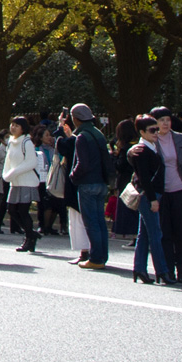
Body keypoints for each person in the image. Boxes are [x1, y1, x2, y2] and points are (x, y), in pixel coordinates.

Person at [151, 107, 182, 284]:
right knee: (165, 233)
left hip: (179, 190)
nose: (165, 123)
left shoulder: (179, 138)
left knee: (181, 233)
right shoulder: (152, 140)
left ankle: (181, 271)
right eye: (161, 120)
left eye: (167, 120)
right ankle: (167, 270)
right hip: (161, 193)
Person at [67, 104, 112, 268]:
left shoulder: (82, 136)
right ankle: (102, 256)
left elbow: (82, 163)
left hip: (87, 183)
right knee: (100, 221)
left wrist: (73, 175)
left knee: (91, 222)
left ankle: (96, 258)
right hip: (101, 182)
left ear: (75, 118)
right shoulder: (98, 133)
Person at [126, 118, 167, 283]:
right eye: (152, 130)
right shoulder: (141, 150)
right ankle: (162, 272)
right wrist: (152, 200)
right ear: (142, 132)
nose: (156, 132)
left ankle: (139, 268)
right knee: (155, 234)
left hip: (152, 194)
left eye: (157, 129)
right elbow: (144, 178)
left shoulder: (151, 146)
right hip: (148, 195)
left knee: (144, 234)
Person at [0, 117, 42, 252]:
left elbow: (31, 162)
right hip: (15, 181)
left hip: (26, 181)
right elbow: (8, 161)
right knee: (11, 210)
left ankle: (29, 239)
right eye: (12, 124)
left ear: (23, 128)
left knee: (23, 211)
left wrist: (14, 172)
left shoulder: (26, 142)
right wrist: (7, 174)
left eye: (17, 125)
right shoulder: (11, 143)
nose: (13, 127)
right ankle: (30, 234)